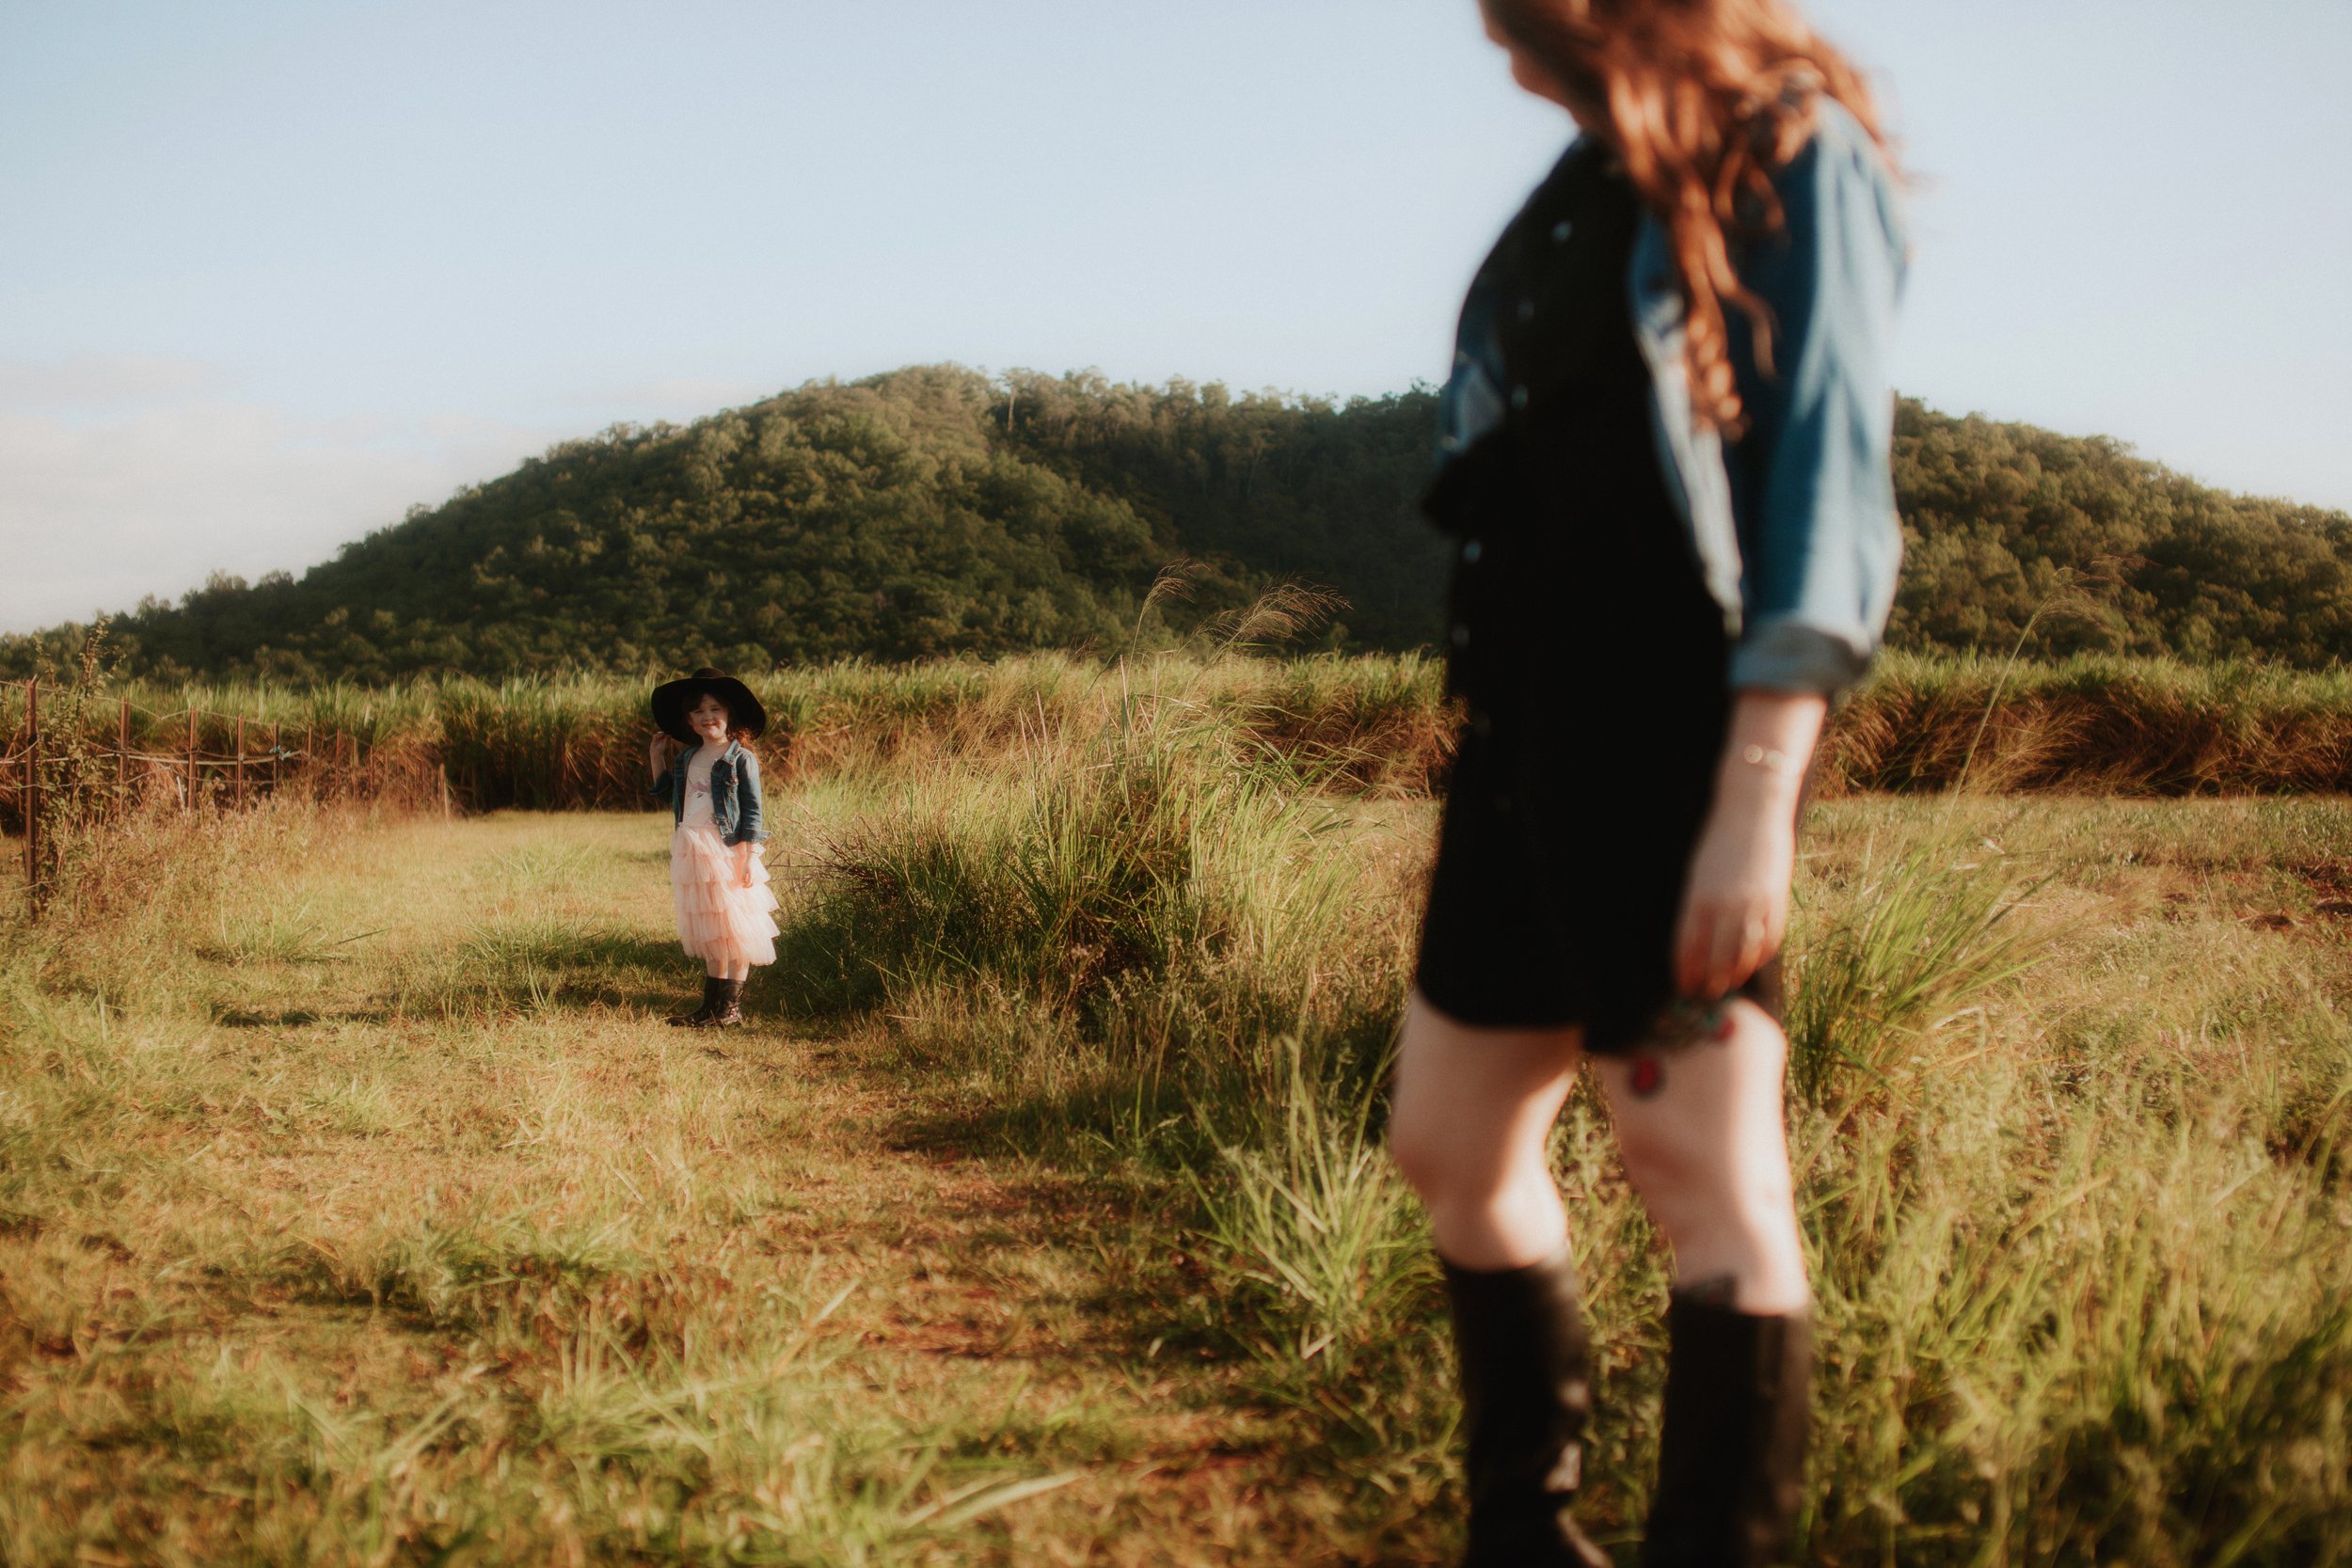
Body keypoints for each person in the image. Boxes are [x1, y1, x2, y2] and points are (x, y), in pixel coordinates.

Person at [1385, 1, 1907, 1563]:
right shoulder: (1582, 185)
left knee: (1699, 1169)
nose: (1497, 46)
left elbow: (1826, 463)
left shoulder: (1791, 145)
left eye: (1517, 18)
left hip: (1676, 738)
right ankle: (1524, 1536)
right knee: (1449, 1142)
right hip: (1523, 729)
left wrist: (1758, 796)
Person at [647, 668, 777, 1027]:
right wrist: (657, 755)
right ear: (689, 720)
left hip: (727, 849)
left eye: (715, 709)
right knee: (711, 927)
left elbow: (753, 812)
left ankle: (730, 1009)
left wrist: (749, 856)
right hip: (692, 847)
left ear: (729, 714)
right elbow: (665, 795)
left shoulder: (740, 759)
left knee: (736, 925)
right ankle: (709, 1007)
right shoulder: (687, 758)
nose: (708, 717)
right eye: (699, 711)